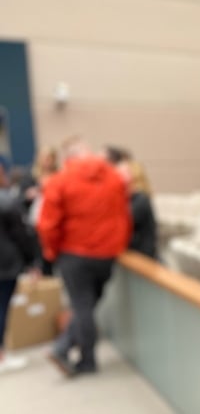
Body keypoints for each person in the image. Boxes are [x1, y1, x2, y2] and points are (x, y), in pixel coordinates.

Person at [36, 136, 131, 377]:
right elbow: (124, 217)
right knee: (87, 306)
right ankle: (77, 354)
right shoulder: (114, 178)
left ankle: (70, 351)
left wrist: (51, 252)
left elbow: (48, 224)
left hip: (74, 254)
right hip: (106, 255)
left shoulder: (60, 181)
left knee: (82, 306)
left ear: (68, 158)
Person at [0, 160, 36, 374]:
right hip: (5, 264)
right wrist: (31, 262)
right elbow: (22, 236)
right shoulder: (6, 202)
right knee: (2, 307)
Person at [16, 146, 59, 276]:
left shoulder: (59, 174)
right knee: (41, 253)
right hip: (37, 219)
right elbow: (20, 198)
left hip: (55, 218)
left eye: (49, 159)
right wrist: (30, 194)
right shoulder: (29, 175)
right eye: (43, 158)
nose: (46, 162)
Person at [121, 160, 159, 260]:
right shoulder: (129, 198)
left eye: (122, 173)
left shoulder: (140, 200)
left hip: (143, 256)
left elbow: (124, 223)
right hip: (133, 254)